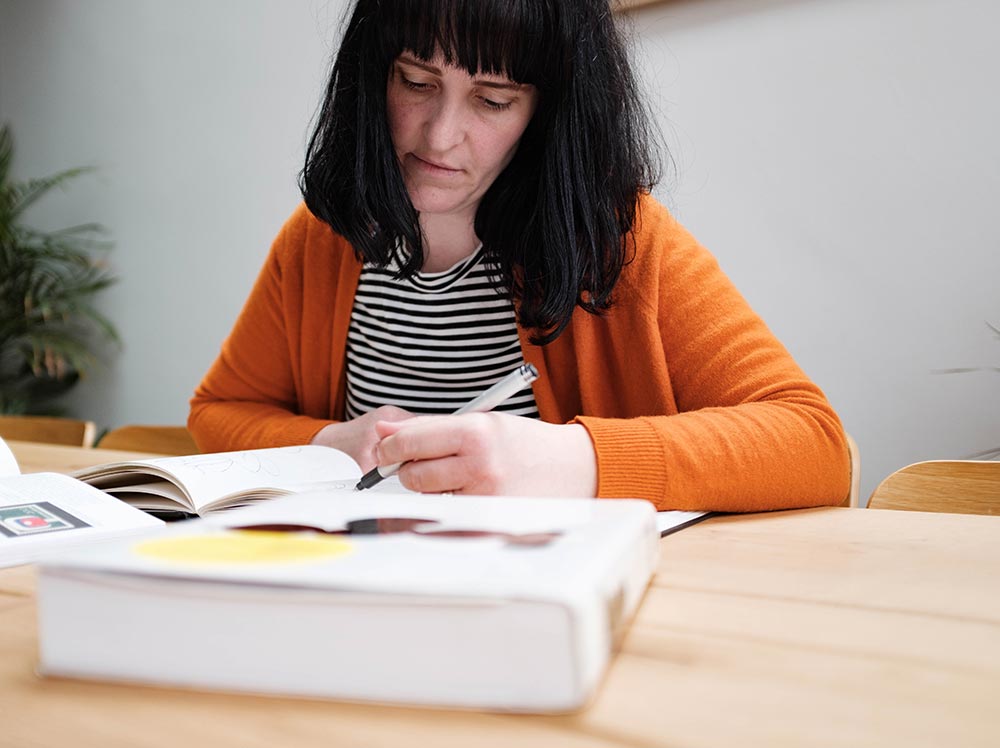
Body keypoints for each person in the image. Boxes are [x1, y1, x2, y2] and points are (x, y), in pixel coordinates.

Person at [189, 0, 850, 512]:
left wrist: (573, 460)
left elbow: (815, 444)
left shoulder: (618, 240)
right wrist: (324, 444)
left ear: (546, 112)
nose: (442, 136)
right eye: (416, 82)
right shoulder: (320, 243)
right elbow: (218, 410)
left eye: (493, 100)